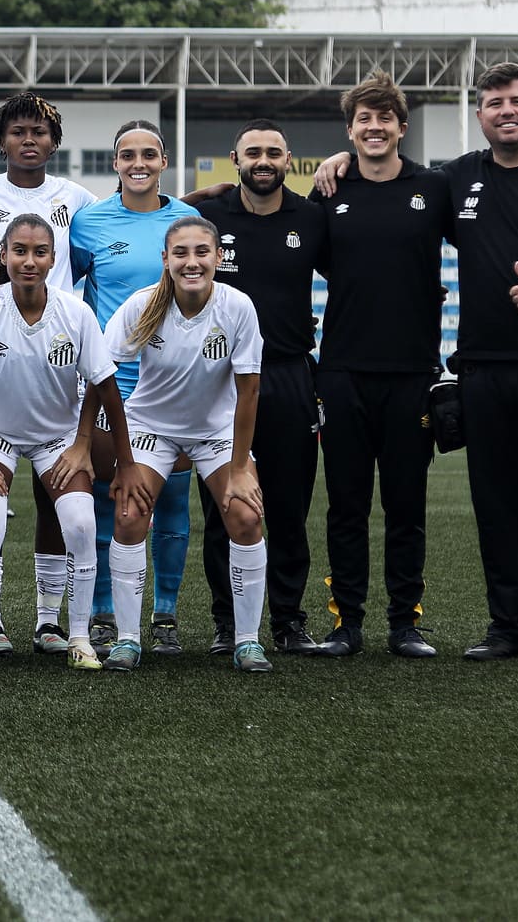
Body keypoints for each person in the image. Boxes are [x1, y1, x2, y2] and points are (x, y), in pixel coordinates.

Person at [319, 62, 518, 667]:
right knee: (497, 507)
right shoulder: (456, 180)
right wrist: (339, 159)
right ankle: (506, 628)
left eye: (517, 101)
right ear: (481, 116)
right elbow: (385, 191)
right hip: (483, 369)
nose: (506, 111)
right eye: (494, 104)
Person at [0, 214, 130, 671]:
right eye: (19, 251)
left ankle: (76, 637)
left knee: (81, 524)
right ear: (5, 256)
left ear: (53, 259)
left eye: (39, 252)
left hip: (57, 437)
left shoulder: (75, 312)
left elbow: (104, 385)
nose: (28, 261)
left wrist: (91, 447)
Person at [305, 73, 447, 659]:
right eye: (364, 119)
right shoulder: (328, 190)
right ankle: (347, 624)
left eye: (384, 117)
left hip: (413, 371)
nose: (374, 127)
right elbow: (280, 235)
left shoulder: (434, 188)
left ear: (401, 126)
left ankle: (405, 623)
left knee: (406, 505)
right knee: (346, 505)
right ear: (351, 129)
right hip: (340, 370)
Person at [99, 216, 272, 674]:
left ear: (219, 257)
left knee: (246, 515)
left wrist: (238, 470)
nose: (191, 262)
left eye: (201, 252)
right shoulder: (142, 305)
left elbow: (249, 390)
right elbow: (102, 372)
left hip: (215, 431)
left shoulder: (237, 307)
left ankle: (249, 641)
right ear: (166, 260)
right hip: (152, 427)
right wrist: (123, 455)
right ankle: (128, 639)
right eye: (181, 253)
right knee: (130, 515)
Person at [0, 92, 97, 655]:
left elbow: (93, 263)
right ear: (1, 139)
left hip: (55, 371)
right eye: (18, 131)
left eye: (39, 132)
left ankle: (47, 621)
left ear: (54, 141)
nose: (29, 140)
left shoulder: (79, 200)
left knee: (54, 497)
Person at [68, 121, 212, 656]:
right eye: (127, 154)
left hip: (175, 383)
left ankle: (166, 613)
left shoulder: (188, 221)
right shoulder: (88, 224)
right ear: (114, 163)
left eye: (149, 154)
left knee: (173, 500)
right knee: (114, 498)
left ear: (164, 160)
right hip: (114, 383)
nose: (138, 163)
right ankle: (105, 611)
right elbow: (75, 288)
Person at [193, 119, 326, 655]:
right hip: (221, 380)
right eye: (253, 153)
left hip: (290, 374)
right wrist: (197, 192)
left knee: (290, 507)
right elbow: (146, 210)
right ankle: (229, 623)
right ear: (236, 159)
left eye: (274, 152)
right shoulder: (209, 217)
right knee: (224, 508)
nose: (264, 160)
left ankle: (289, 621)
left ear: (288, 159)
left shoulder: (312, 219)